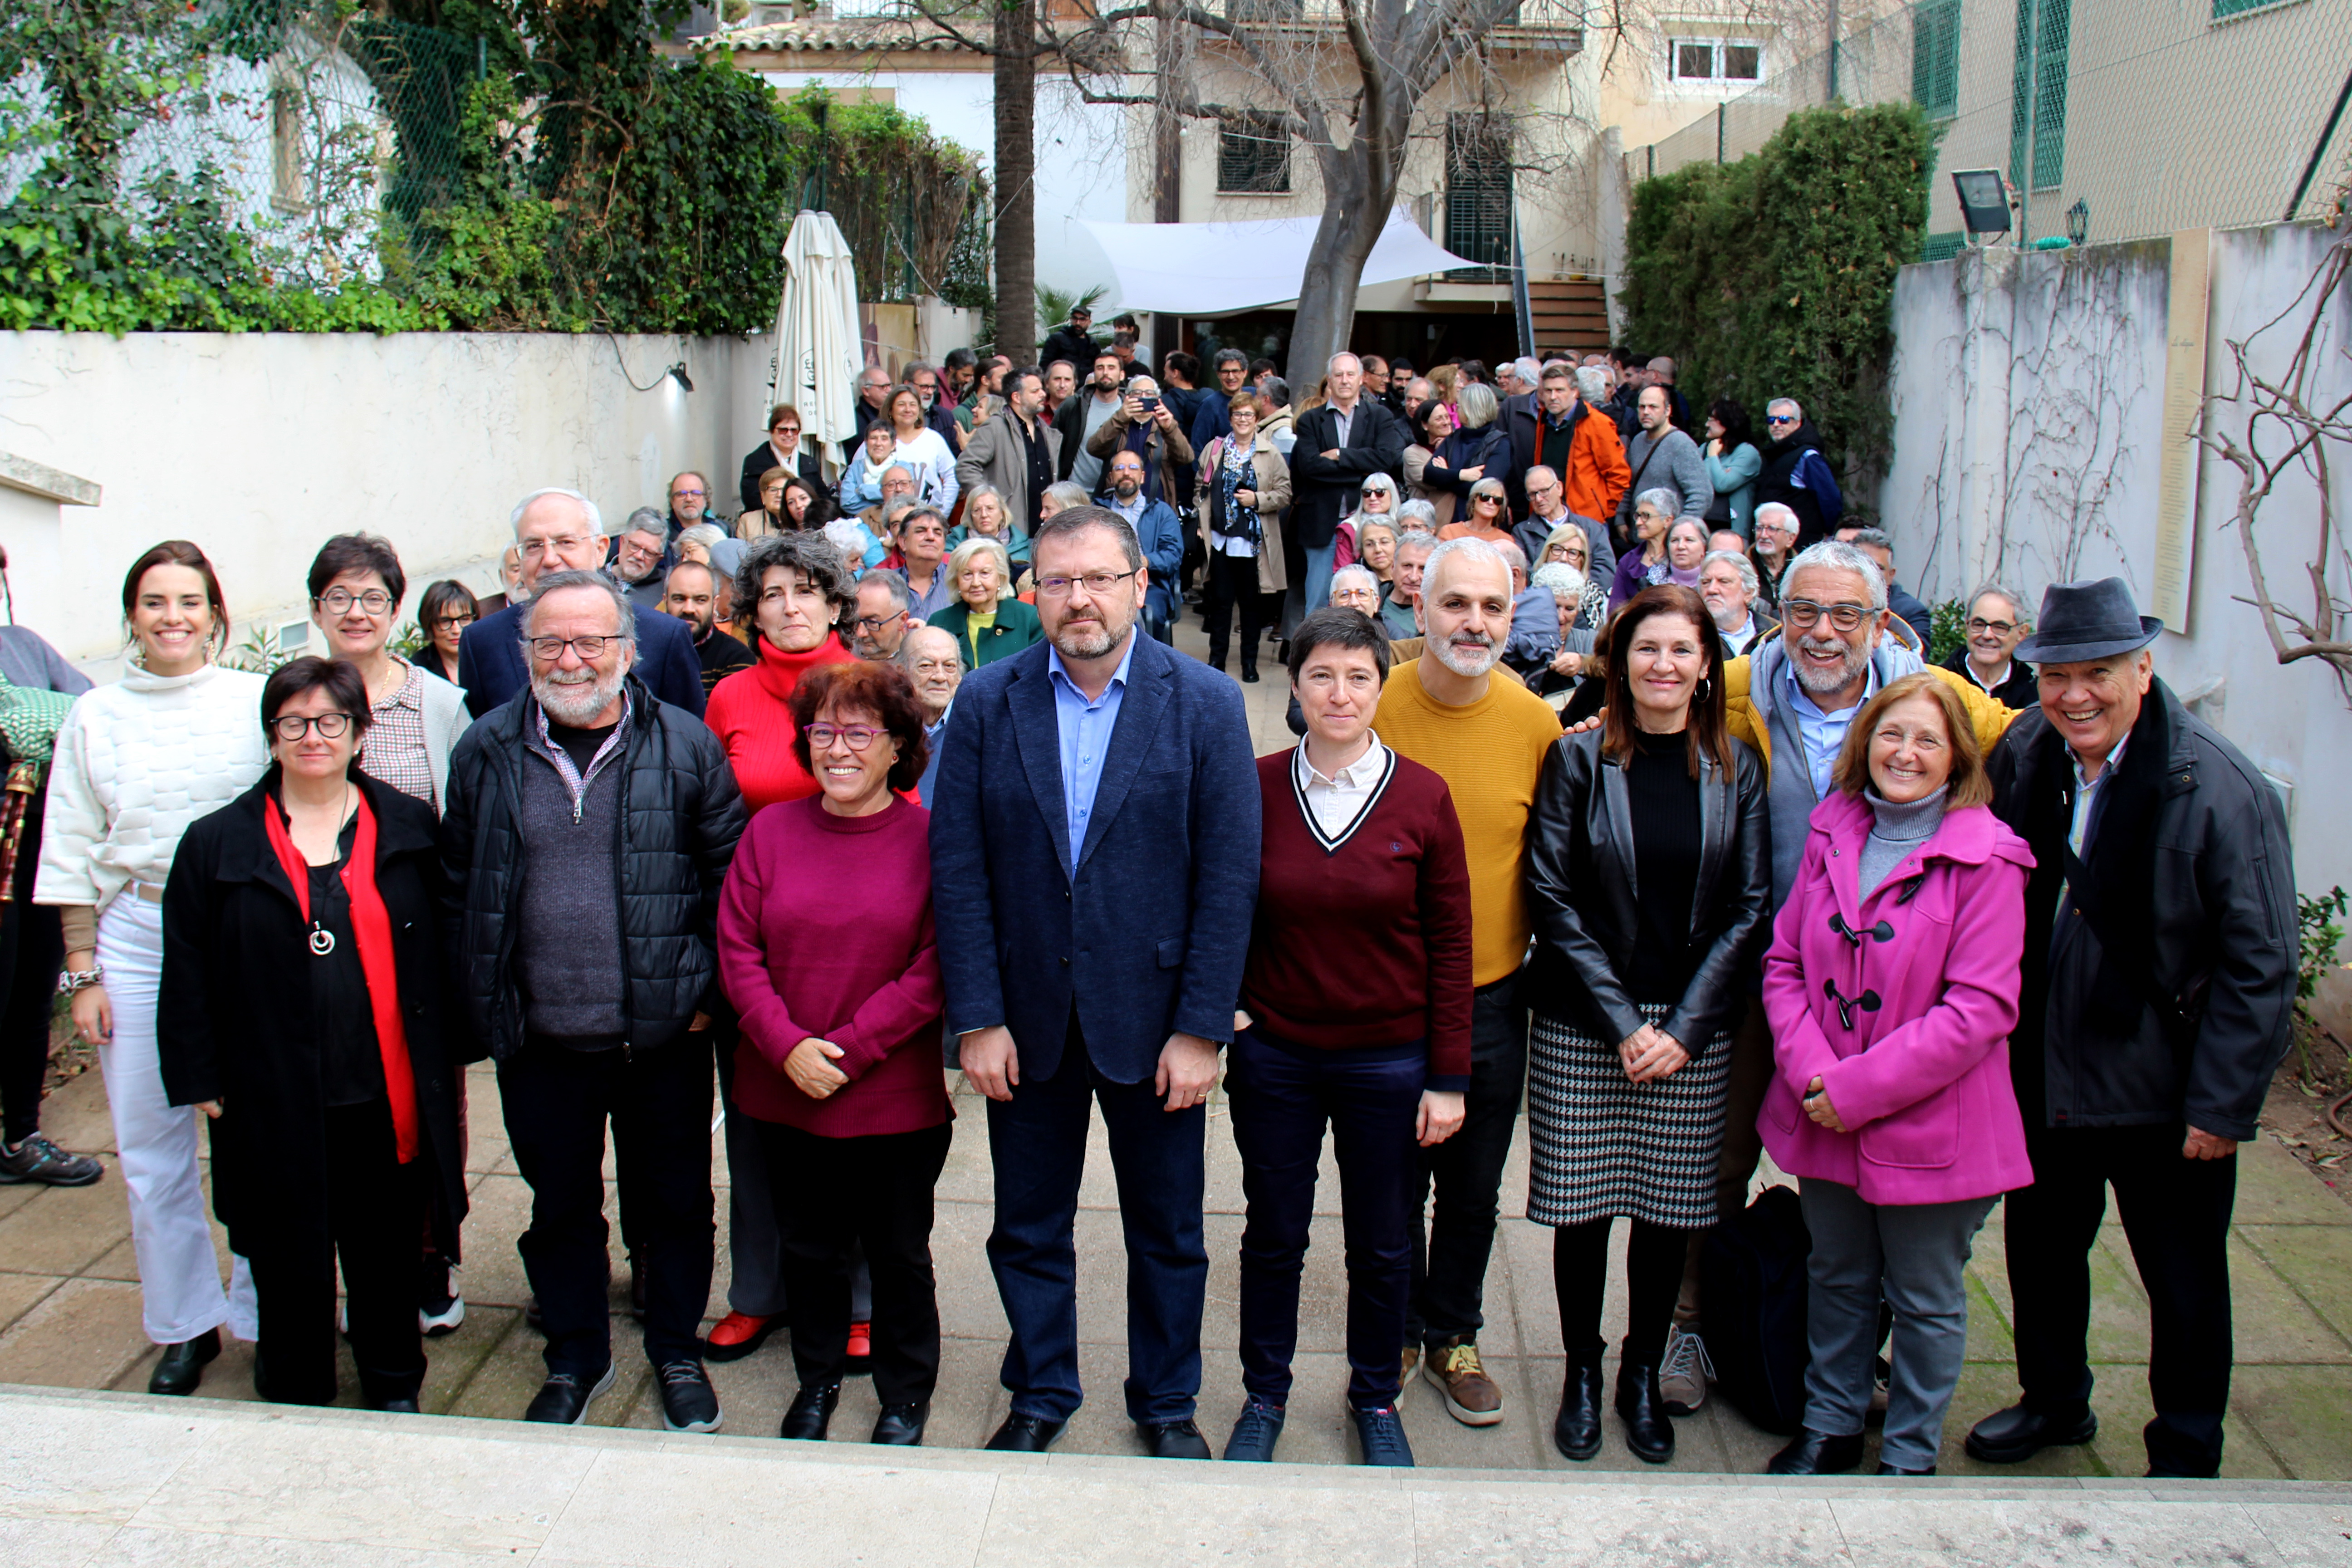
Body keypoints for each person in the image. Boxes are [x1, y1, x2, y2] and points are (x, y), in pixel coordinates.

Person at [1653, 542, 2019, 1417]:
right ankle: (1689, 1321)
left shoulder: (1931, 698)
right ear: (1779, 611)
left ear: (1880, 620)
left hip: (1900, 995)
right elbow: (1647, 701)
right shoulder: (1736, 688)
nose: (1822, 633)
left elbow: (2035, 735)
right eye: (1804, 611)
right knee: (1714, 1157)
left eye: (1844, 614)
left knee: (1898, 1176)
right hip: (1760, 976)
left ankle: (1867, 1345)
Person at [930, 505, 1259, 1460]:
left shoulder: (1203, 703)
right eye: (1061, 581)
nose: (1080, 599)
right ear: (1037, 591)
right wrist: (976, 1018)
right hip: (1024, 1025)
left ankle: (1165, 1402)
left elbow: (1230, 876)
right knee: (1027, 1226)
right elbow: (959, 870)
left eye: (1100, 579)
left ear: (1139, 586)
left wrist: (1203, 1030)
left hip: (1155, 1026)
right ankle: (1041, 1387)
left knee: (1170, 1233)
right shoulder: (990, 702)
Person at [1967, 578, 2295, 1480]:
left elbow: (2259, 962)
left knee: (2183, 1282)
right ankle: (2054, 1400)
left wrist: (2223, 1107)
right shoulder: (2029, 752)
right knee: (2041, 1254)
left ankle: (2187, 1447)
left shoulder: (2221, 787)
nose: (2076, 694)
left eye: (2099, 673)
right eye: (2059, 674)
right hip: (2042, 1067)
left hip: (2165, 1087)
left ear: (2143, 670)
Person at [440, 568, 746, 1431]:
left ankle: (675, 1350)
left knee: (677, 1202)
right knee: (560, 1205)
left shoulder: (686, 744)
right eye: (550, 643)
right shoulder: (487, 750)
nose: (571, 659)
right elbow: (461, 888)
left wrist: (706, 999)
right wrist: (486, 1006)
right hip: (540, 1035)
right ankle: (575, 1354)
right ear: (525, 651)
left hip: (662, 1031)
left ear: (626, 650)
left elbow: (730, 886)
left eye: (590, 642)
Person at [158, 657, 469, 1411]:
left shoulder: (407, 826)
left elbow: (441, 948)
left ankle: (394, 1385)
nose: (312, 736)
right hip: (271, 1098)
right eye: (292, 723)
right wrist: (199, 1077)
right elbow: (188, 967)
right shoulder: (215, 843)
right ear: (271, 736)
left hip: (382, 1091)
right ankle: (295, 1394)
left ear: (358, 732)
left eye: (330, 721)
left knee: (387, 1257)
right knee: (287, 1260)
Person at [1757, 671, 2034, 1476]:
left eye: (1925, 739)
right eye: (1888, 734)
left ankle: (1908, 1455)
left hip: (1929, 1122)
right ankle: (1830, 1426)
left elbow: (1977, 1009)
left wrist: (1855, 1090)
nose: (1903, 753)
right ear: (1863, 741)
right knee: (1836, 1276)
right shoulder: (1830, 829)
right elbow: (1783, 964)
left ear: (1956, 757)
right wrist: (1815, 1075)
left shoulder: (1988, 860)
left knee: (1922, 1296)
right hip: (1823, 1107)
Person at [1523, 583, 1770, 1465]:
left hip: (1690, 1034)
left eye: (1681, 650)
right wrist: (1625, 1021)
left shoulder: (1737, 767)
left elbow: (1751, 907)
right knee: (1583, 1213)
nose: (1663, 665)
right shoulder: (1579, 760)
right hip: (1586, 1023)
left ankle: (1639, 1372)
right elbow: (1549, 894)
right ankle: (1582, 1373)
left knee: (1669, 1215)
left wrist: (1685, 1027)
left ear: (1708, 665)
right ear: (1619, 662)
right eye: (1646, 649)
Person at [1221, 607, 1472, 1470]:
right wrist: (1227, 1012)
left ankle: (1373, 1396)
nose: (1339, 692)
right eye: (1321, 675)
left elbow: (1449, 946)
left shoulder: (1422, 796)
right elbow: (1213, 906)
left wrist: (1447, 1076)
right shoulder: (1250, 786)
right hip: (1278, 1056)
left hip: (1388, 1059)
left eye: (1357, 676)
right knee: (1273, 1234)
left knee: (1382, 1240)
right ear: (1293, 686)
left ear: (1380, 686)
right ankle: (1264, 1394)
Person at [39, 541, 269, 1393]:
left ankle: (258, 1309)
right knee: (150, 1147)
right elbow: (68, 845)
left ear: (216, 612)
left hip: (240, 938)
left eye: (189, 600)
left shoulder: (253, 704)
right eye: (154, 602)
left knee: (253, 1137)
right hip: (134, 936)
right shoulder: (95, 716)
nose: (173, 617)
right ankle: (183, 1323)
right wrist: (82, 969)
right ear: (131, 617)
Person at [718, 661, 951, 1447]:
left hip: (893, 1097)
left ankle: (904, 1393)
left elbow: (934, 967)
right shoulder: (769, 831)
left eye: (858, 732)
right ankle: (814, 1381)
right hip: (783, 1089)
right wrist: (787, 1048)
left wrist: (845, 1054)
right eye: (822, 731)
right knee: (808, 1250)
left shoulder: (930, 840)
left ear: (897, 747)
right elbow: (737, 950)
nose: (837, 748)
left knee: (896, 1255)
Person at [1372, 537, 1565, 1429]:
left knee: (1474, 1186)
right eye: (1456, 604)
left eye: (1492, 607)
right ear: (1422, 606)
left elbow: (1555, 864)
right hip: (1386, 997)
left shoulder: (1534, 724)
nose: (1474, 623)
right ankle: (1398, 1330)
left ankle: (1455, 1333)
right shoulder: (1374, 705)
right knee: (1393, 1180)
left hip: (1493, 996)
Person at [0, 603, 99, 1189]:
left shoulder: (23, 645)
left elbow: (88, 708)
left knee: (27, 993)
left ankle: (21, 1137)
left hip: (34, 847)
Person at [458, 489, 705, 720]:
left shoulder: (664, 637)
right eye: (534, 546)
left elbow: (688, 742)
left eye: (565, 542)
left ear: (601, 550)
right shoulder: (481, 642)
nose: (550, 559)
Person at [307, 535, 471, 819]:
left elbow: (473, 813)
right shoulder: (296, 703)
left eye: (373, 599)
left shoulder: (439, 703)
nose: (356, 614)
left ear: (394, 610)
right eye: (339, 598)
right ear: (316, 610)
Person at [1291, 354, 1405, 626]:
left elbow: (1386, 459)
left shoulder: (1379, 416)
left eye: (1350, 375)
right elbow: (1309, 467)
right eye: (1339, 375)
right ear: (1329, 380)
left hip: (1367, 522)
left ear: (1361, 379)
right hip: (1322, 525)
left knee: (1365, 599)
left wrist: (1339, 456)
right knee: (1318, 602)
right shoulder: (1310, 420)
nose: (1344, 380)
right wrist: (1359, 471)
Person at [1198, 390, 1291, 680]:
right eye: (1237, 414)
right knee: (1221, 604)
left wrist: (1258, 500)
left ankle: (1249, 663)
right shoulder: (1215, 450)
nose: (1242, 420)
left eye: (1248, 415)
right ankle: (1217, 662)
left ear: (1257, 419)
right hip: (1221, 540)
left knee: (1252, 607)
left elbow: (1285, 493)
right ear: (1230, 418)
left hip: (1254, 543)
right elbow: (1200, 488)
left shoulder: (1270, 452)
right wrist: (1201, 520)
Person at [955, 367, 1059, 534]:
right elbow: (966, 466)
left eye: (1042, 389)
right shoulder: (995, 427)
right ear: (1016, 397)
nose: (1043, 395)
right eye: (1035, 391)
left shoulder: (1046, 432)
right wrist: (989, 502)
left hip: (1045, 527)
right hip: (1011, 530)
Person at [1096, 450, 1186, 644]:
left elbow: (1173, 555)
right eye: (1119, 469)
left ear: (1142, 477)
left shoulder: (1161, 512)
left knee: (1151, 618)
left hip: (1150, 585)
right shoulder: (1098, 513)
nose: (1126, 473)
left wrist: (1144, 561)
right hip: (1104, 584)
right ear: (1111, 477)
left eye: (1133, 468)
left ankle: (1149, 670)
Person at [1613, 386, 1712, 551]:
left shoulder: (1680, 444)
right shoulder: (1638, 441)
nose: (1646, 412)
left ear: (1668, 411)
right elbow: (1630, 483)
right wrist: (1621, 518)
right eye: (1642, 407)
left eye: (1653, 407)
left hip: (1668, 544)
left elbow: (1702, 494)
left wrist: (1678, 531)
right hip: (1640, 539)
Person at [930, 536, 1043, 669]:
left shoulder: (1030, 619)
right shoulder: (940, 622)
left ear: (1000, 578)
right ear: (956, 580)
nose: (976, 583)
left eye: (985, 573)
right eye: (967, 574)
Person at [1516, 458, 1617, 589]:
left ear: (1559, 488)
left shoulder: (1593, 529)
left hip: (1583, 603)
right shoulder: (1522, 532)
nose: (1539, 499)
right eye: (1532, 494)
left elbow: (1605, 572)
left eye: (1544, 491)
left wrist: (1574, 594)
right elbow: (1524, 574)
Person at [1754, 398, 1844, 547]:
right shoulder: (1773, 454)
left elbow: (1830, 499)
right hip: (1773, 544)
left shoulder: (1808, 457)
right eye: (1771, 420)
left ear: (1798, 423)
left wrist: (1828, 531)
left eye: (1784, 420)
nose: (1776, 425)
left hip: (1800, 544)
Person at [665, 561, 756, 698]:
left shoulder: (736, 658)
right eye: (679, 599)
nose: (689, 609)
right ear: (665, 601)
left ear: (715, 604)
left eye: (700, 600)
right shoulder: (646, 651)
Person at [1836, 527, 1933, 647]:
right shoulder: (1828, 601)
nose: (1869, 574)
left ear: (1891, 575)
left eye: (1878, 569)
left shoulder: (1910, 612)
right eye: (1862, 566)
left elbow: (1915, 661)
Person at [1944, 585, 2037, 708]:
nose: (1987, 635)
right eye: (1979, 624)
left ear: (2021, 633)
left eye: (2000, 627)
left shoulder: (2035, 695)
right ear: (1967, 627)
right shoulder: (1939, 684)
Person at [899, 626, 962, 808]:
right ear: (901, 673)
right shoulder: (890, 727)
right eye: (926, 666)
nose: (940, 677)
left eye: (949, 666)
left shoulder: (975, 726)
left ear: (959, 676)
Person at [1427, 382, 1511, 514]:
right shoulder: (1455, 437)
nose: (1456, 411)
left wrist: (1446, 475)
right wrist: (1461, 475)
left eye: (1459, 406)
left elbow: (1485, 491)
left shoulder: (1501, 443)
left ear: (1471, 410)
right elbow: (1429, 474)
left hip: (1480, 519)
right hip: (1449, 516)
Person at [1056, 351, 1128, 493]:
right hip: (1075, 491)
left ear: (1122, 375)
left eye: (1111, 368)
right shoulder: (1074, 405)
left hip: (1114, 493)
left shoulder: (1129, 408)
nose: (1105, 372)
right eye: (1100, 368)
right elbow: (1053, 444)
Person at [880, 385, 959, 513]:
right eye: (901, 405)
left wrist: (943, 512)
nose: (908, 410)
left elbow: (952, 475)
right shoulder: (879, 441)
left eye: (913, 405)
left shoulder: (933, 438)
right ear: (890, 410)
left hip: (928, 516)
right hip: (889, 519)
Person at [741, 404, 824, 513]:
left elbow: (822, 495)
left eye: (794, 430)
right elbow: (752, 499)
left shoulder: (809, 462)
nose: (789, 434)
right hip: (770, 522)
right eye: (783, 430)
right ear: (771, 431)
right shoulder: (755, 461)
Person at [1608, 490, 1682, 612]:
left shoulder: (1681, 557)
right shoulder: (1628, 562)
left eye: (1646, 516)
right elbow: (1615, 609)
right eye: (1637, 516)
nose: (1638, 523)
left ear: (1667, 521)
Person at [1702, 400, 1763, 540]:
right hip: (1705, 530)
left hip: (1734, 536)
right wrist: (1721, 471)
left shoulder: (1747, 453)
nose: (1707, 425)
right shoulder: (1703, 449)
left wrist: (1712, 457)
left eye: (1712, 420)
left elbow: (1723, 484)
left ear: (1728, 422)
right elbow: (1697, 482)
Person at [1700, 549, 1773, 659]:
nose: (1711, 590)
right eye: (1706, 582)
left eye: (1724, 582)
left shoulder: (1774, 634)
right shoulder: (1690, 633)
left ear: (1748, 593)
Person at [889, 505, 956, 622]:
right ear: (903, 542)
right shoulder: (885, 585)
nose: (930, 537)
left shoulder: (959, 582)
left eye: (938, 533)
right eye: (921, 531)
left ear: (944, 544)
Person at [1186, 348, 1254, 455]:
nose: (1231, 377)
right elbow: (1198, 446)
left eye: (1235, 371)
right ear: (1218, 374)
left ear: (1245, 373)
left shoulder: (1254, 397)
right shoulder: (1210, 405)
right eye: (1225, 372)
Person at [1404, 401, 1460, 529]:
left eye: (1447, 417)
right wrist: (1454, 475)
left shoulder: (1460, 448)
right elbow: (1432, 483)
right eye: (1439, 419)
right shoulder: (1412, 453)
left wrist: (1448, 449)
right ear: (1425, 425)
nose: (1446, 422)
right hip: (1428, 523)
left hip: (1458, 518)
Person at [610, 511, 675, 612]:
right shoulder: (594, 576)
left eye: (649, 553)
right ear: (622, 542)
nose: (639, 556)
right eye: (634, 546)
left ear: (659, 559)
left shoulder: (667, 588)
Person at [416, 581, 477, 687]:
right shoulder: (418, 671)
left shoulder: (490, 658)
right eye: (445, 621)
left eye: (464, 619)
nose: (457, 630)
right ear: (429, 624)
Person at [1335, 473, 1399, 569]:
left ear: (1392, 495)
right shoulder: (1349, 528)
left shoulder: (1405, 524)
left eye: (1379, 492)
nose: (1373, 498)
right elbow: (1342, 571)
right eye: (1367, 493)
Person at [851, 573, 917, 662]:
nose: (860, 633)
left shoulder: (917, 661)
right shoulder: (840, 658)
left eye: (872, 622)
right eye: (854, 620)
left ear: (902, 620)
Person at [1382, 530, 1436, 640]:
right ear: (1393, 567)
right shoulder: (1369, 602)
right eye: (1407, 566)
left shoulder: (1440, 614)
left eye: (1423, 569)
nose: (1413, 577)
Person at [1749, 502, 1798, 616]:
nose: (1764, 535)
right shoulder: (1742, 568)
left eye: (1772, 529)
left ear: (1791, 539)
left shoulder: (1802, 571)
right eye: (1759, 528)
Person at [1438, 477, 1515, 547]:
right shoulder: (1450, 532)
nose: (1491, 503)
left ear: (1501, 506)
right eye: (1485, 497)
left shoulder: (1506, 541)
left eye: (1497, 500)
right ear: (1474, 499)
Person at [845, 364, 895, 461]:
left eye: (890, 386)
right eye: (883, 387)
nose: (889, 391)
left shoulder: (890, 415)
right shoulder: (856, 421)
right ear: (866, 391)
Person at [738, 466, 798, 541]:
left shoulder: (802, 519)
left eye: (784, 490)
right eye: (773, 490)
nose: (779, 495)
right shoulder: (748, 521)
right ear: (763, 496)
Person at [1039, 304, 1097, 375]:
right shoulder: (1056, 339)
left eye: (1082, 320)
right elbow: (1044, 366)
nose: (1078, 323)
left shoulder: (1093, 344)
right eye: (1075, 319)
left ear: (1089, 322)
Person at [665, 472, 715, 542]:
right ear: (672, 501)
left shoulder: (725, 530)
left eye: (696, 493)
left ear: (706, 499)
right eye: (682, 494)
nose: (689, 499)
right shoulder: (662, 536)